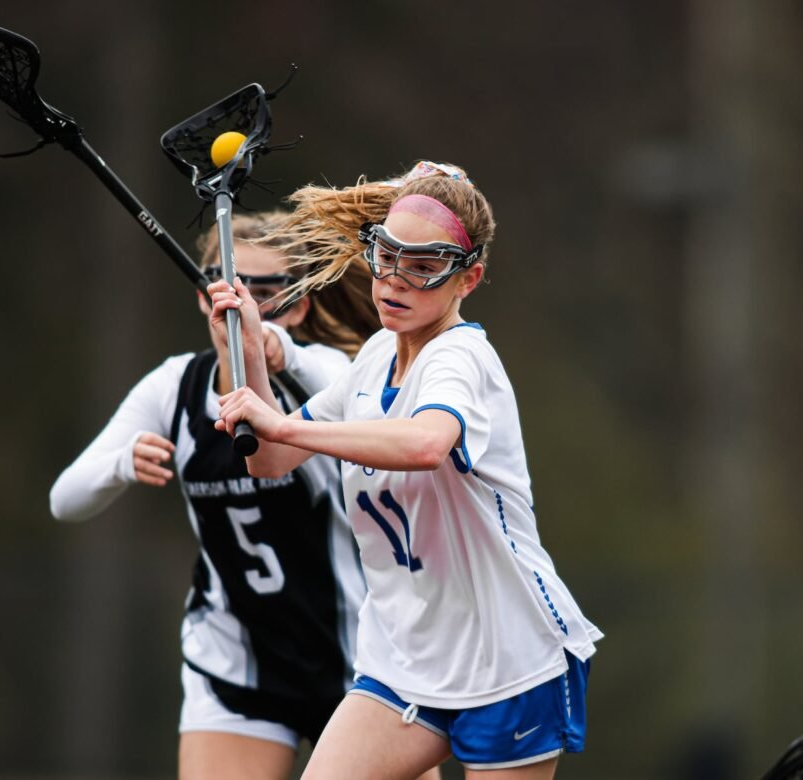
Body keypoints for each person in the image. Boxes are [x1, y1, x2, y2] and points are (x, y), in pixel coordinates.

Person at [209, 161, 604, 780]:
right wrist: (252, 358)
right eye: (387, 257)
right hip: (405, 657)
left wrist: (283, 422)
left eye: (423, 268)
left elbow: (424, 443)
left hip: (508, 660)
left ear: (467, 279)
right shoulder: (372, 358)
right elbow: (271, 459)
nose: (394, 281)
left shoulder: (462, 358)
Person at [50, 212, 437, 780]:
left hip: (361, 656)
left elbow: (359, 402)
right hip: (234, 658)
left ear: (298, 306)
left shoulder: (327, 375)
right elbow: (66, 499)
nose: (242, 302)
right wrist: (120, 462)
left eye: (265, 291)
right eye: (228, 282)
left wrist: (276, 349)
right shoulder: (173, 387)